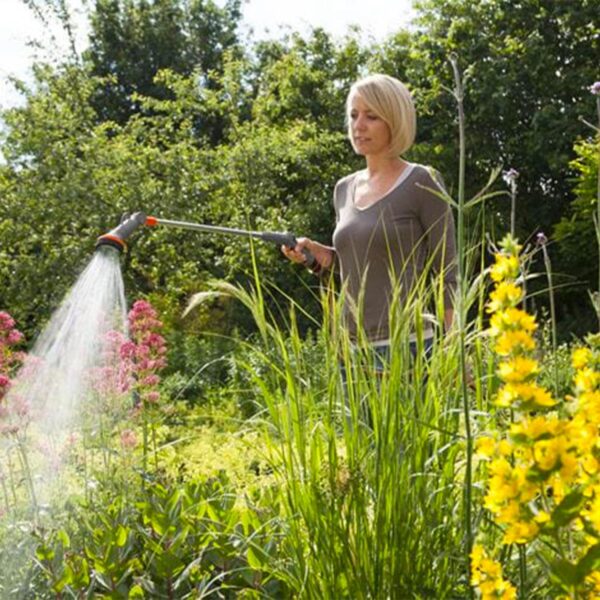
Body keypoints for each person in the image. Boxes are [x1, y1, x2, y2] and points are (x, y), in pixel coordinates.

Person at [282, 73, 456, 362]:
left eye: (371, 116)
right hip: (351, 351)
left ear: (394, 120)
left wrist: (453, 349)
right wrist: (320, 255)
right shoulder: (343, 189)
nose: (358, 126)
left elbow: (448, 272)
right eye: (353, 115)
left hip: (410, 346)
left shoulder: (422, 181)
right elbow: (360, 266)